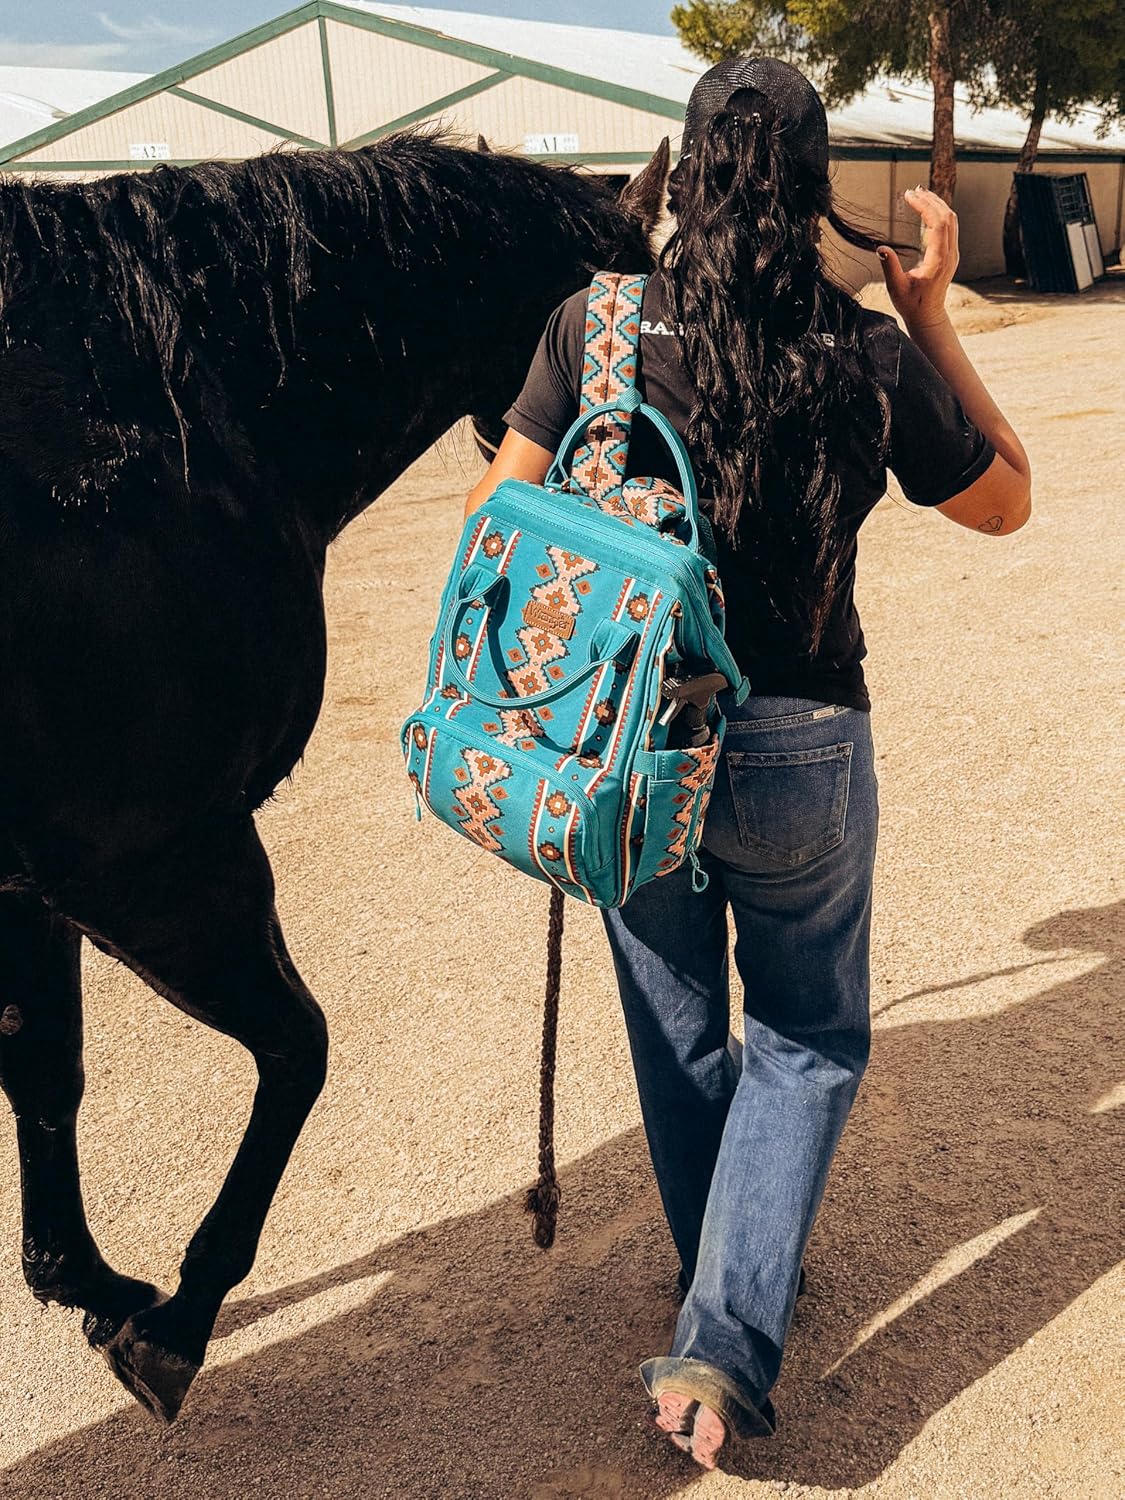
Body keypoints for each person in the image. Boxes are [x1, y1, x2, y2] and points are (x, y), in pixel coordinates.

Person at [464, 57, 1031, 1471]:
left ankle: (721, 1277)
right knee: (805, 1038)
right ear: (812, 185)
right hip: (802, 745)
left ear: (687, 173)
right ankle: (726, 1322)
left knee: (677, 1026)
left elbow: (491, 526)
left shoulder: (594, 328)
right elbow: (1006, 500)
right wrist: (930, 317)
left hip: (632, 739)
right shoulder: (865, 353)